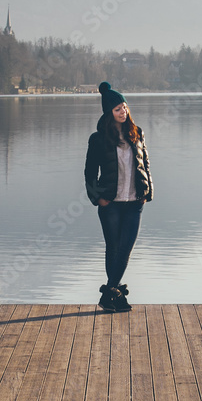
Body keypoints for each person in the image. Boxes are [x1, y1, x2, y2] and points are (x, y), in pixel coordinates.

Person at [84, 81, 153, 312]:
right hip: (111, 203)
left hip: (134, 203)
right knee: (113, 248)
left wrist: (147, 192)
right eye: (117, 109)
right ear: (109, 113)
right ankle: (116, 296)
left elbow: (145, 165)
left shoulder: (137, 133)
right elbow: (90, 173)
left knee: (125, 249)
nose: (123, 111)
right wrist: (98, 199)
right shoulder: (98, 139)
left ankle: (109, 294)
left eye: (124, 107)